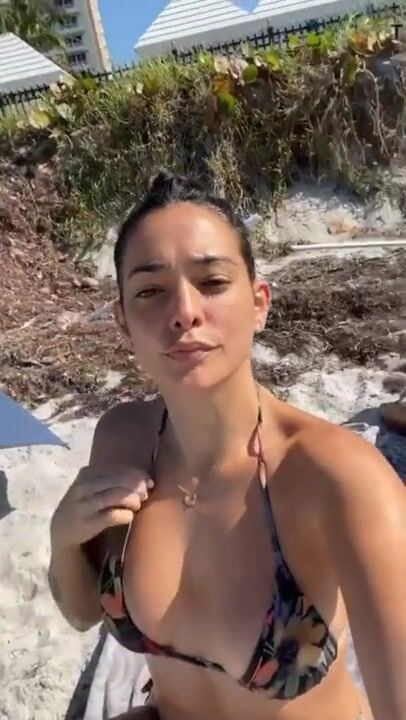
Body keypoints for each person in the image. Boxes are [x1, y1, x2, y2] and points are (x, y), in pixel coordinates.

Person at [49, 172, 406, 720]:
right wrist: (64, 539)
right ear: (123, 320)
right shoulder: (124, 439)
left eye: (212, 282)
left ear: (259, 303)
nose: (183, 311)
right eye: (150, 291)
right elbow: (79, 614)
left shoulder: (339, 479)